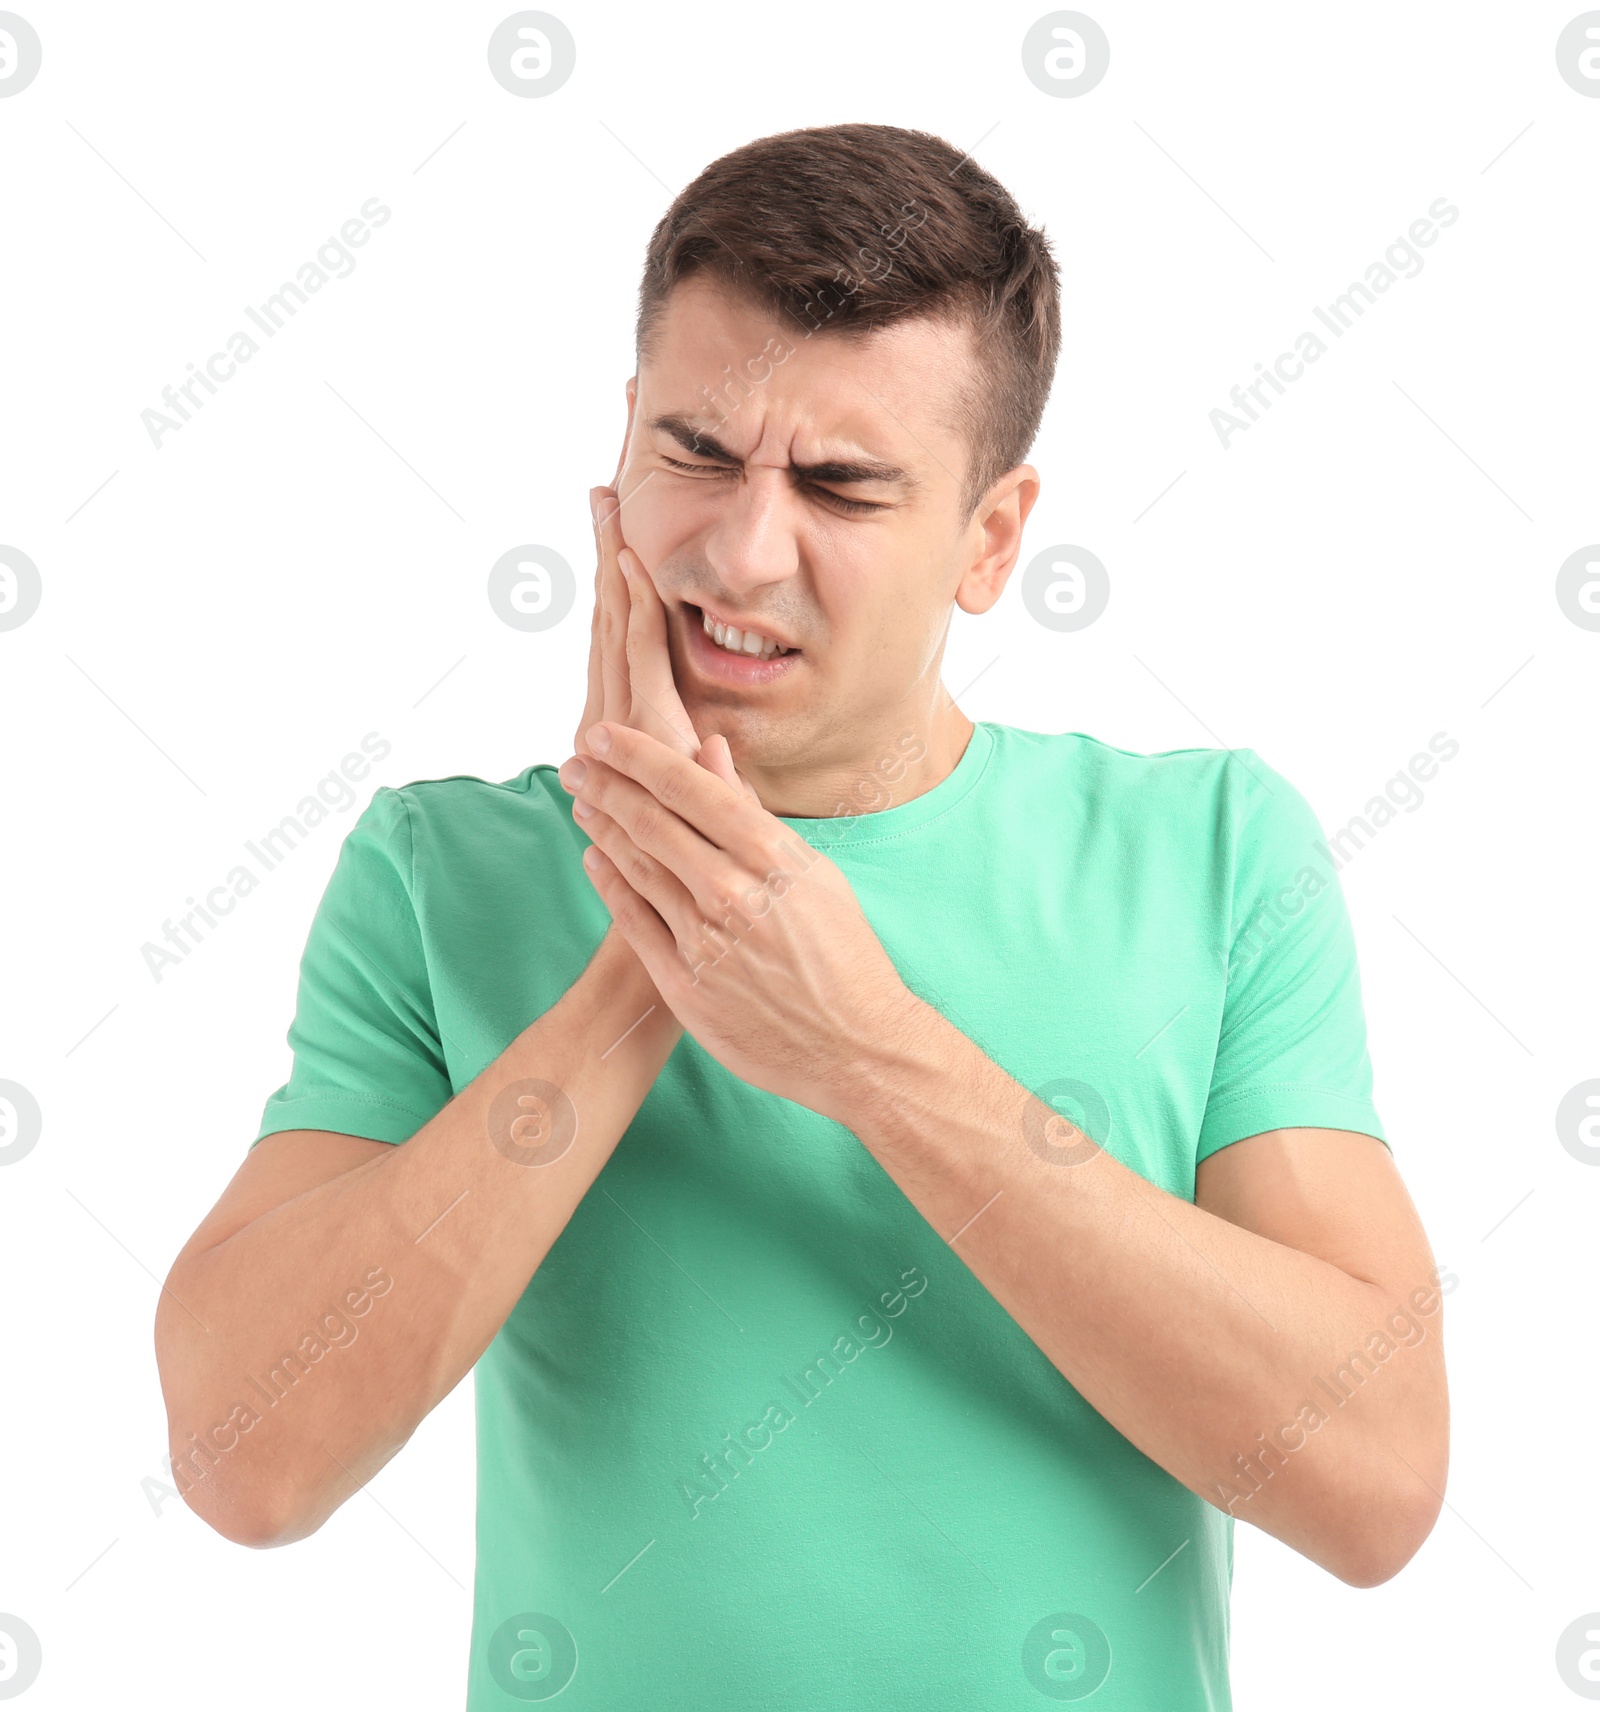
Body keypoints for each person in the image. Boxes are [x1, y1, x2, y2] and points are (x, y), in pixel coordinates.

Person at [155, 122, 1448, 1710]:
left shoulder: (1213, 851)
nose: (741, 549)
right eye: (697, 452)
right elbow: (244, 1462)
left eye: (841, 486)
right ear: (621, 443)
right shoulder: (440, 868)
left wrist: (872, 1052)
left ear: (990, 539)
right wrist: (660, 928)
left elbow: (1377, 1483)